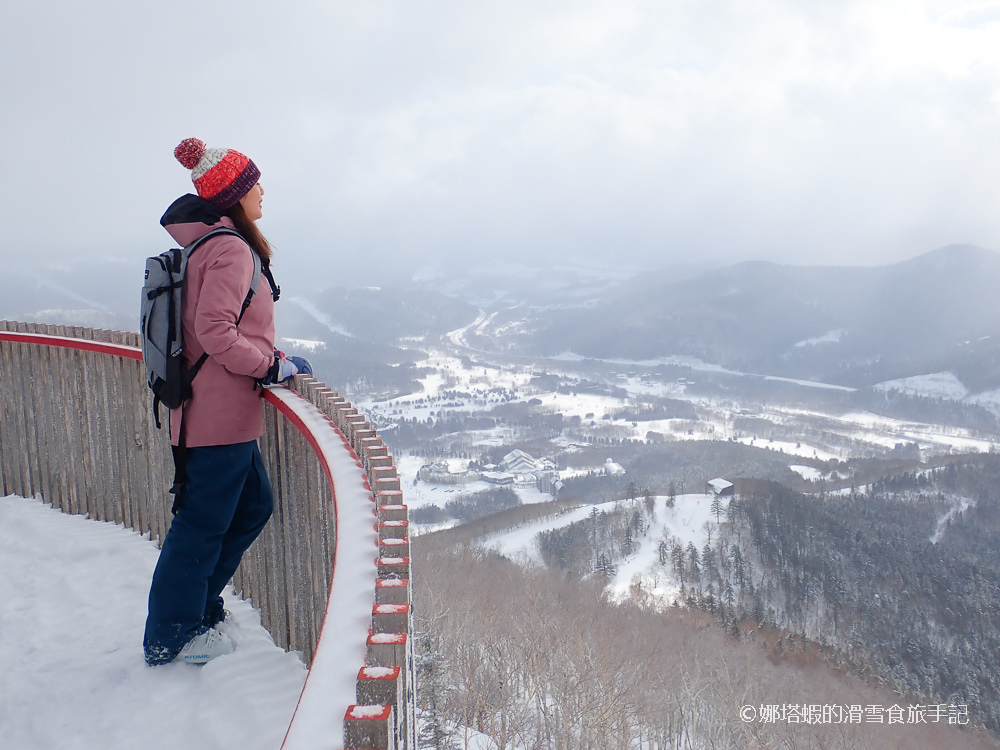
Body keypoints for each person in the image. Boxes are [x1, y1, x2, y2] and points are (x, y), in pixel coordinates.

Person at [143, 137, 309, 666]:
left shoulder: (213, 244)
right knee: (200, 524)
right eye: (254, 182)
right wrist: (269, 367)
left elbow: (228, 325)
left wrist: (272, 354)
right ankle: (171, 633)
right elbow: (215, 331)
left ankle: (196, 607)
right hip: (216, 416)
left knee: (252, 507)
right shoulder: (231, 248)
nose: (262, 190)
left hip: (214, 413)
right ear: (236, 194)